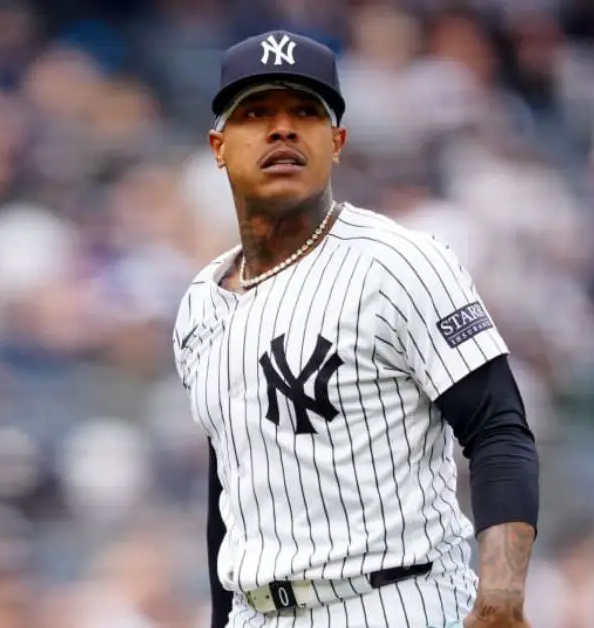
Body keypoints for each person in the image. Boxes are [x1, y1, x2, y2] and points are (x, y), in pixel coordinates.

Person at [169, 30, 540, 628]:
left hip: (393, 599)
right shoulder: (199, 305)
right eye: (257, 113)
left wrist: (502, 592)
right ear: (219, 144)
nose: (282, 129)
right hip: (256, 612)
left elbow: (497, 427)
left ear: (336, 141)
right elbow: (230, 491)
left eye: (305, 112)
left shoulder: (398, 263)